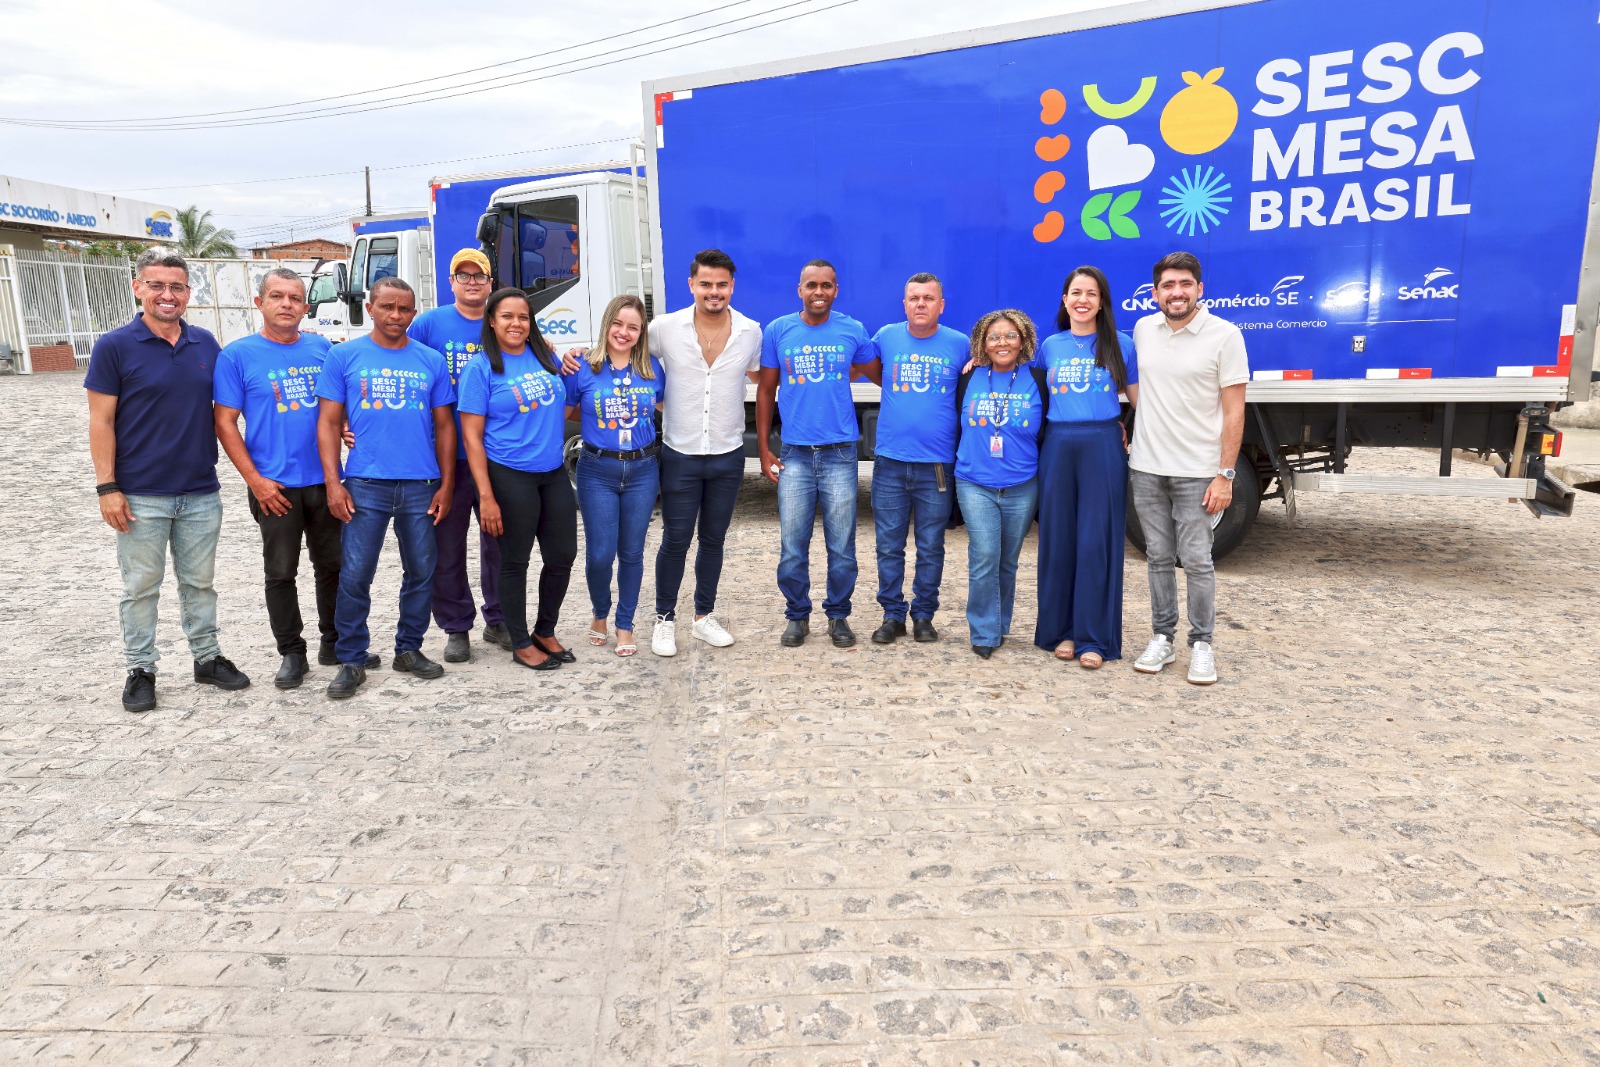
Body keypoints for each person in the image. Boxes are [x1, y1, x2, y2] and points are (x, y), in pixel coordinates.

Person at [85, 247, 251, 713]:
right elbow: (100, 422)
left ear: (188, 294)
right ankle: (141, 670)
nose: (167, 294)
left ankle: (207, 657)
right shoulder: (115, 346)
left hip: (200, 490)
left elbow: (231, 411)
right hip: (140, 494)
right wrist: (107, 487)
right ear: (138, 287)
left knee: (200, 583)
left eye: (176, 286)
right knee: (141, 586)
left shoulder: (206, 345)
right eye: (156, 285)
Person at [216, 267, 362, 689]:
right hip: (274, 486)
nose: (286, 304)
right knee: (281, 571)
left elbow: (338, 404)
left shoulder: (323, 349)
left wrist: (347, 427)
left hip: (325, 480)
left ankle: (333, 643)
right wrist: (255, 481)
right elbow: (224, 423)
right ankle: (291, 653)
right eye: (277, 296)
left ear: (305, 306)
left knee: (333, 567)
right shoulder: (237, 355)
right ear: (259, 303)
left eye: (295, 298)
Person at [315, 277, 457, 699]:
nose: (396, 316)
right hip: (364, 484)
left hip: (421, 483)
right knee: (356, 574)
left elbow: (446, 426)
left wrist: (447, 484)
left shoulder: (430, 360)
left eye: (404, 309)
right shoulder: (344, 355)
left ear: (414, 313)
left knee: (421, 571)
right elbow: (326, 422)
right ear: (371, 308)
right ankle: (352, 659)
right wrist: (333, 482)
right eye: (387, 307)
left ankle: (408, 649)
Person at [1127, 251, 1249, 685]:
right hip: (1146, 468)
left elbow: (1235, 412)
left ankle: (1202, 645)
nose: (1176, 292)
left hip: (1198, 471)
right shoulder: (1143, 330)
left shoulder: (1225, 335)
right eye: (1167, 285)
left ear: (1200, 289)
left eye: (1185, 284)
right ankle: (1162, 638)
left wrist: (1226, 474)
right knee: (1158, 558)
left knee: (1197, 560)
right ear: (1155, 292)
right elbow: (1136, 387)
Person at [647, 249, 764, 657]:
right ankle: (664, 620)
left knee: (714, 539)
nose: (714, 292)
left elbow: (758, 376)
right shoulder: (663, 328)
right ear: (691, 285)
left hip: (727, 452)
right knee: (675, 539)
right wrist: (658, 399)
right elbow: (623, 351)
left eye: (722, 285)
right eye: (706, 284)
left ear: (732, 286)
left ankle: (703, 617)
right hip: (679, 451)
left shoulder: (750, 331)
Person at [756, 260, 877, 648]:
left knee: (842, 547)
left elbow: (875, 371)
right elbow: (765, 391)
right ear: (800, 289)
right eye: (812, 285)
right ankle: (797, 616)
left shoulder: (851, 329)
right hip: (794, 455)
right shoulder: (779, 330)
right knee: (792, 546)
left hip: (840, 454)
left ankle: (838, 617)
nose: (819, 292)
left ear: (836, 290)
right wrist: (763, 449)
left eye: (827, 285)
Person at [458, 288, 578, 672]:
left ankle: (545, 630)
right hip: (509, 474)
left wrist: (574, 360)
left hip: (552, 472)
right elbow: (472, 438)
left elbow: (567, 404)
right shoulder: (480, 369)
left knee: (562, 555)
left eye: (523, 317)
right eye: (507, 316)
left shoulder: (544, 355)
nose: (515, 323)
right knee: (515, 561)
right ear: (491, 321)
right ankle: (520, 640)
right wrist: (487, 496)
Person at [1033, 266, 1138, 670]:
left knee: (1097, 541)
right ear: (1065, 300)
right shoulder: (1050, 347)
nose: (1083, 300)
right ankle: (1063, 631)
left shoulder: (1120, 345)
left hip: (1102, 445)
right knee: (1059, 540)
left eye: (1091, 294)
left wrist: (1123, 430)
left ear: (1101, 301)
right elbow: (1033, 400)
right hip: (1058, 445)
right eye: (1076, 292)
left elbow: (1140, 403)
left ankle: (1094, 637)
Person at [407, 249, 509, 663]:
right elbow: (400, 361)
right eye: (462, 275)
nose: (471, 282)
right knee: (446, 547)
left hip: (494, 455)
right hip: (443, 459)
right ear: (450, 281)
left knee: (498, 543)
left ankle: (498, 618)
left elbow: (535, 356)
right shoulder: (430, 324)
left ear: (490, 283)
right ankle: (456, 626)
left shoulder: (500, 323)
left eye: (479, 275)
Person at [860, 273, 966, 645]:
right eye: (913, 298)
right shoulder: (886, 337)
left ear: (941, 304)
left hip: (936, 466)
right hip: (889, 462)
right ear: (904, 304)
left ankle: (923, 615)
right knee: (888, 545)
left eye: (928, 298)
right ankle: (892, 615)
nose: (920, 304)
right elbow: (875, 374)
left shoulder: (960, 344)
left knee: (931, 545)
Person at [566, 295, 665, 657]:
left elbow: (672, 406)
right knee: (599, 555)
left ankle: (625, 624)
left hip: (642, 470)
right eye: (618, 324)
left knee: (632, 553)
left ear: (641, 333)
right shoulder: (582, 368)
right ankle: (599, 612)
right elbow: (561, 413)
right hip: (597, 470)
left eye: (633, 327)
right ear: (607, 324)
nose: (624, 332)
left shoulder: (652, 369)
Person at [954, 310, 1049, 659]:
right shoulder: (967, 379)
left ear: (1022, 340)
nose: (1002, 342)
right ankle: (983, 630)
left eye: (1010, 335)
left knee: (1007, 560)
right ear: (982, 343)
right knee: (985, 556)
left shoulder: (1039, 380)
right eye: (993, 337)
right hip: (974, 481)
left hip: (1022, 483)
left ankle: (999, 623)